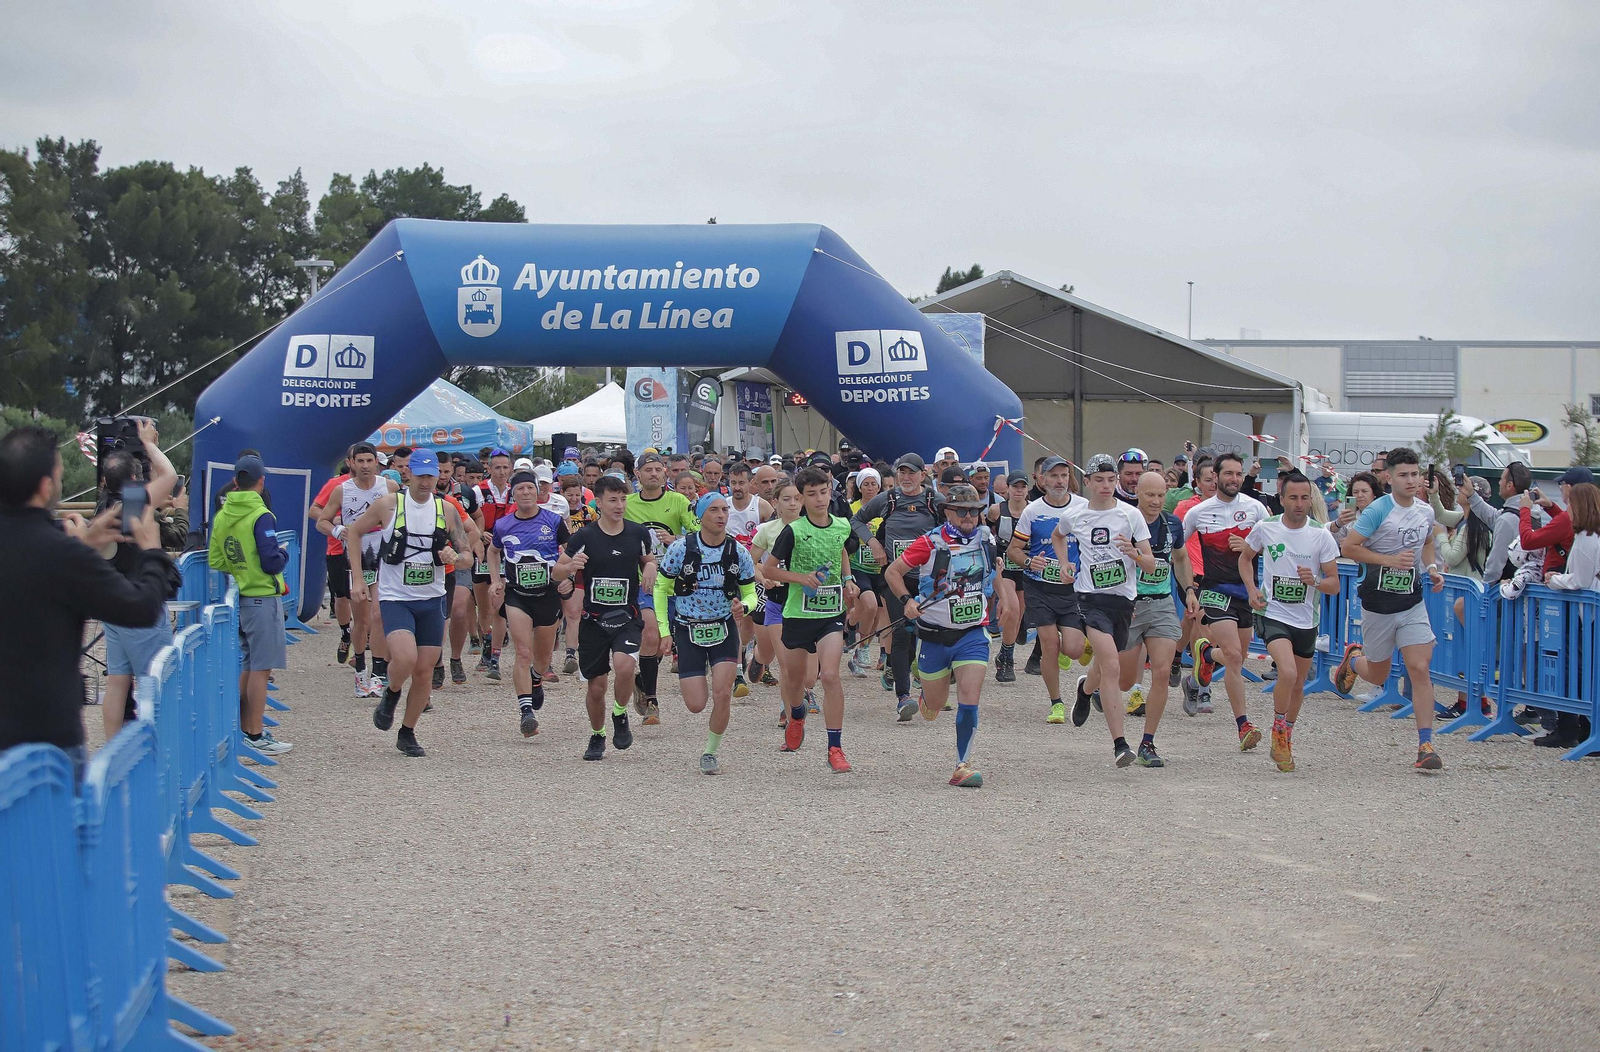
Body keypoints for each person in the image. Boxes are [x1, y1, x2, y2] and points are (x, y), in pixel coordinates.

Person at [0, 426, 175, 779]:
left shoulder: (62, 549)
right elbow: (140, 608)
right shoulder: (62, 553)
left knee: (117, 682)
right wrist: (153, 552)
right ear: (46, 486)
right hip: (47, 732)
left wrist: (85, 548)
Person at [347, 450, 475, 757]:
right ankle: (391, 694)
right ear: (409, 475)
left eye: (431, 476)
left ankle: (407, 731)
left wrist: (455, 558)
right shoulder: (390, 505)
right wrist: (358, 580)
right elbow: (354, 532)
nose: (426, 482)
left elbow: (468, 555)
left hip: (431, 599)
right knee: (404, 659)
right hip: (396, 597)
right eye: (420, 475)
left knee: (424, 670)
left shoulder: (447, 510)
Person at [1331, 447, 1447, 771]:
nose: (1411, 481)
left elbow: (1426, 542)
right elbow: (1349, 547)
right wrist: (1388, 560)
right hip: (1378, 606)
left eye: (1415, 474)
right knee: (1379, 674)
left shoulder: (1424, 511)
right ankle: (1354, 660)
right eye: (1404, 475)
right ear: (1389, 477)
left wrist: (1433, 568)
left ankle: (1426, 745)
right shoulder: (1378, 511)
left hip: (1411, 603)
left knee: (1419, 668)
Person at [886, 483, 1009, 787]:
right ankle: (928, 695)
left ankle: (962, 765)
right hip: (933, 636)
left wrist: (1003, 596)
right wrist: (907, 601)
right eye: (962, 511)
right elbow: (892, 572)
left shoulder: (986, 538)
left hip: (973, 633)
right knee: (935, 705)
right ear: (948, 512)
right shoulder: (929, 543)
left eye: (975, 511)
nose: (969, 516)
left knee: (970, 697)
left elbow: (995, 570)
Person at [1050, 455, 1157, 766]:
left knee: (1104, 664)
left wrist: (1134, 553)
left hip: (1123, 601)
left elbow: (1150, 563)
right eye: (1099, 480)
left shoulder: (1130, 515)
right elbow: (1059, 536)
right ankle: (1120, 744)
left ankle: (1085, 690)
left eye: (1111, 480)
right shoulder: (1076, 515)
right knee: (1112, 666)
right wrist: (1064, 563)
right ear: (1087, 482)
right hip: (1089, 599)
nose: (1106, 486)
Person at [1242, 471, 1342, 772]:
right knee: (1285, 672)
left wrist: (1315, 582)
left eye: (1304, 498)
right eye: (1293, 498)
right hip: (1272, 614)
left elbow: (1335, 583)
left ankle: (1286, 734)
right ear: (1282, 498)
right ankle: (1277, 727)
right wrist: (1251, 590)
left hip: (1306, 619)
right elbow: (1245, 558)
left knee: (1298, 682)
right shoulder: (1266, 528)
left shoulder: (1320, 535)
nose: (1299, 504)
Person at [653, 493, 757, 774]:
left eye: (724, 510)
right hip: (688, 629)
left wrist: (744, 606)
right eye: (714, 510)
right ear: (700, 516)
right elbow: (660, 588)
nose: (721, 515)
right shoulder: (680, 549)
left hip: (723, 628)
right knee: (696, 704)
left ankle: (711, 751)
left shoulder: (738, 552)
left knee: (722, 694)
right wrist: (664, 630)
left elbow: (750, 593)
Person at [768, 466, 860, 772]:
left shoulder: (842, 526)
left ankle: (835, 748)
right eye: (811, 495)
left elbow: (841, 551)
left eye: (823, 492)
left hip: (830, 614)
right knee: (794, 680)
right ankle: (796, 714)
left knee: (830, 676)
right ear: (802, 498)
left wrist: (848, 579)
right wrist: (800, 578)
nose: (819, 499)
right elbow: (769, 570)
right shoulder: (792, 531)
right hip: (797, 613)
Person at [94, 418, 181, 741]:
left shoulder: (101, 508)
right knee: (155, 679)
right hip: (141, 599)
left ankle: (113, 748)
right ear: (133, 477)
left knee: (117, 680)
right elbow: (170, 477)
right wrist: (149, 444)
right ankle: (159, 742)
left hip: (111, 600)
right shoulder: (134, 502)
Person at [1181, 452, 1271, 752]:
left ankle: (1206, 657)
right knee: (1233, 656)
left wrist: (1249, 547)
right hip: (1215, 590)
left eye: (1238, 474)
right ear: (1215, 477)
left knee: (1237, 657)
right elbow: (1179, 551)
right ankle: (1244, 725)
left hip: (1246, 591)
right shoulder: (1199, 512)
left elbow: (1276, 546)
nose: (1234, 479)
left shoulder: (1256, 508)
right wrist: (1189, 587)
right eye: (1228, 474)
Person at [565, 474, 656, 761]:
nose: (619, 505)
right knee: (596, 687)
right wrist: (569, 567)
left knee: (625, 665)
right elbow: (558, 571)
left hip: (626, 616)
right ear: (599, 503)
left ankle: (619, 714)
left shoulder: (638, 533)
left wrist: (651, 567)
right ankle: (597, 734)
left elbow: (648, 559)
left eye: (623, 499)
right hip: (593, 620)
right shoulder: (584, 537)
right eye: (613, 500)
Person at [209, 453, 294, 756]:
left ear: (235, 481)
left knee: (247, 664)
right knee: (261, 668)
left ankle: (243, 728)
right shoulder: (261, 515)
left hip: (242, 595)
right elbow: (271, 560)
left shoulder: (222, 515)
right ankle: (255, 735)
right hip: (263, 597)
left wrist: (241, 571)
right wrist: (283, 555)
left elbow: (216, 559)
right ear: (261, 482)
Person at [486, 470, 579, 739]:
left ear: (537, 492)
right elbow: (493, 551)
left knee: (542, 657)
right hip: (517, 596)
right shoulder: (503, 525)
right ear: (512, 493)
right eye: (520, 489)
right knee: (523, 653)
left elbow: (571, 552)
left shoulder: (553, 520)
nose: (525, 493)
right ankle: (526, 711)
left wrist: (568, 577)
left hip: (548, 595)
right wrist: (496, 580)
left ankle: (537, 678)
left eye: (530, 488)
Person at [1118, 470, 1197, 766]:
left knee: (1162, 672)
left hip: (1162, 603)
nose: (1156, 501)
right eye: (1150, 495)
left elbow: (1181, 558)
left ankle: (1147, 744)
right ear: (1137, 492)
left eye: (1161, 495)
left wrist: (1188, 590)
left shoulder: (1172, 523)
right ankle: (1091, 684)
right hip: (1130, 605)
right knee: (1125, 682)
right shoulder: (1124, 521)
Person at [1007, 455, 1093, 726]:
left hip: (1072, 590)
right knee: (1049, 645)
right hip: (1039, 587)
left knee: (1075, 650)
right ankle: (1056, 703)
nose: (1059, 481)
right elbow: (1013, 550)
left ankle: (1083, 643)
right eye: (1053, 476)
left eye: (1064, 476)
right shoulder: (1032, 512)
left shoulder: (1084, 507)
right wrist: (1031, 561)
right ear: (1042, 480)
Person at [852, 453, 939, 719]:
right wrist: (873, 543)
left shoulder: (935, 502)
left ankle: (897, 667)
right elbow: (856, 521)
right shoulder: (888, 499)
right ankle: (904, 697)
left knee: (920, 633)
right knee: (902, 632)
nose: (906, 477)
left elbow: (954, 525)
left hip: (925, 579)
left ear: (922, 475)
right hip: (894, 577)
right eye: (902, 472)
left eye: (912, 472)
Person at [315, 442, 398, 697]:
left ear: (376, 463)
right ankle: (360, 666)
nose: (365, 466)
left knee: (379, 615)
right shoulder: (342, 491)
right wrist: (339, 530)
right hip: (356, 555)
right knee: (361, 619)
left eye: (369, 461)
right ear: (351, 463)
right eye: (360, 461)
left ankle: (378, 673)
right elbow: (321, 521)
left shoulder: (390, 487)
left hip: (383, 554)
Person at [625, 451, 699, 724]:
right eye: (648, 470)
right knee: (650, 634)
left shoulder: (678, 501)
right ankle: (652, 701)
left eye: (658, 469)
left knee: (659, 647)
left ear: (665, 473)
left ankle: (641, 679)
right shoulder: (628, 503)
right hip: (643, 582)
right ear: (638, 475)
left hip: (676, 583)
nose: (653, 474)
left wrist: (676, 539)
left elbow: (700, 534)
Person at [750, 477, 802, 705]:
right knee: (779, 658)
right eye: (786, 499)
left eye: (797, 498)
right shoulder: (766, 530)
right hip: (774, 597)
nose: (792, 504)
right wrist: (763, 578)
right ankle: (788, 708)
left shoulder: (813, 527)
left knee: (800, 662)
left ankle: (800, 695)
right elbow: (749, 563)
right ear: (775, 502)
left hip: (803, 602)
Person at [986, 470, 1032, 681]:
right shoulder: (996, 511)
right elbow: (986, 534)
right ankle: (1008, 660)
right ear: (1008, 489)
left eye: (1023, 487)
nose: (1019, 491)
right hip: (1004, 565)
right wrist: (992, 557)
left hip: (1026, 566)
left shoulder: (1033, 511)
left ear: (1027, 489)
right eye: (1015, 487)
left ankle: (1005, 651)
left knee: (1018, 613)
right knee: (1011, 608)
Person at [845, 467, 886, 678]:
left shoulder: (887, 507)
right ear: (859, 487)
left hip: (881, 568)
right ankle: (863, 649)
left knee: (870, 613)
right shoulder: (851, 509)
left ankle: (851, 629)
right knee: (869, 604)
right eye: (866, 484)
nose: (870, 488)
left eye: (874, 484)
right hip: (858, 567)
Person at [1547, 482, 1600, 591]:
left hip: (1592, 605)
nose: (1567, 508)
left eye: (1570, 503)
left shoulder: (1586, 538)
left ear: (1578, 507)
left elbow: (1581, 581)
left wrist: (1554, 580)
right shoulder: (1593, 534)